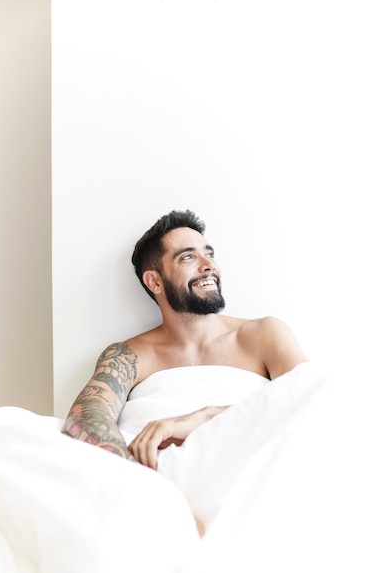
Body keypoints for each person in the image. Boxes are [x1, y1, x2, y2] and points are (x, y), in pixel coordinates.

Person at [62, 209, 309, 533]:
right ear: (154, 280)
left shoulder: (262, 334)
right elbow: (86, 415)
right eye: (187, 257)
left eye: (209, 254)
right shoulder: (129, 354)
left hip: (244, 471)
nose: (209, 266)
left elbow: (311, 401)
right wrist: (145, 491)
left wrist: (202, 417)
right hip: (148, 478)